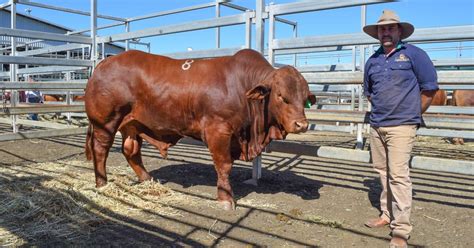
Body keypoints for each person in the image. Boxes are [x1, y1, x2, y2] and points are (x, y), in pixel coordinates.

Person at [362, 10, 438, 248]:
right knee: (383, 172)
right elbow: (369, 92)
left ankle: (401, 230)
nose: (386, 32)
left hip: (402, 126)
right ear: (377, 34)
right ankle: (387, 214)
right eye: (382, 29)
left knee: (398, 176)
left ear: (399, 31)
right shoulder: (372, 60)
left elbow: (429, 88)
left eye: (391, 28)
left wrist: (412, 114)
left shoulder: (414, 54)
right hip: (377, 125)